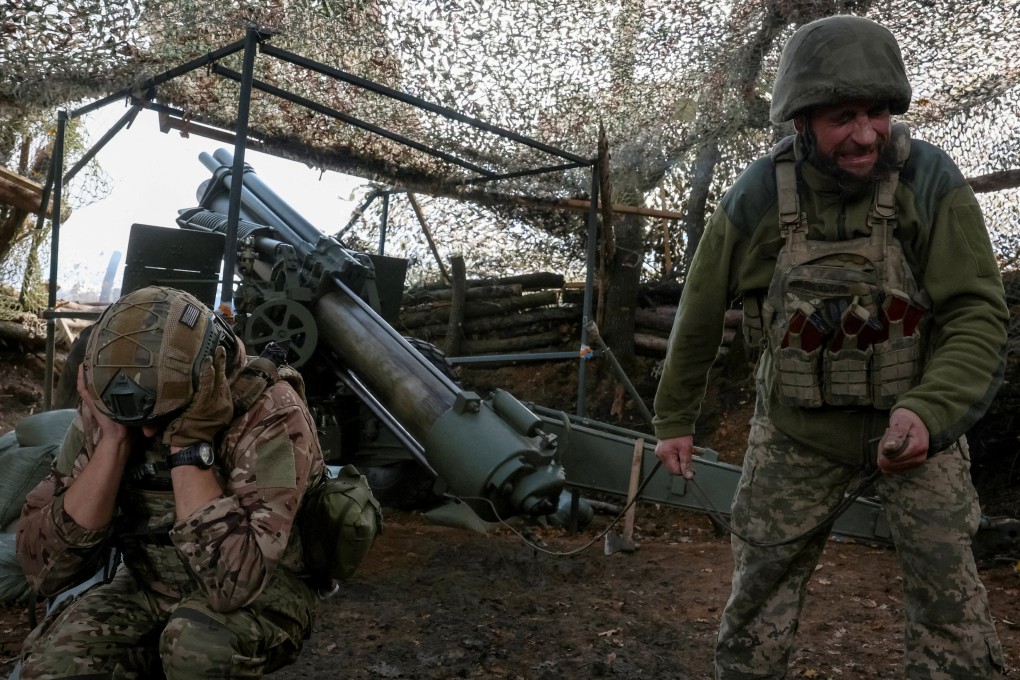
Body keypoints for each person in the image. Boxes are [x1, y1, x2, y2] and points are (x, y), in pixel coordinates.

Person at [652, 15, 1009, 680]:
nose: (866, 134)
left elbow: (976, 313)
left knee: (950, 603)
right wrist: (675, 419)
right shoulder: (758, 194)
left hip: (915, 430)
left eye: (877, 112)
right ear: (802, 119)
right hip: (797, 435)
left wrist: (928, 412)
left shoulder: (930, 182)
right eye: (844, 116)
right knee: (758, 598)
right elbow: (699, 311)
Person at [16, 285, 325, 679]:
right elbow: (43, 571)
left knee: (197, 649)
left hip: (265, 594)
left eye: (159, 419)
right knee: (54, 665)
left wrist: (190, 446)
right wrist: (112, 440)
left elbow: (233, 586)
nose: (146, 433)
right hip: (149, 583)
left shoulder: (270, 411)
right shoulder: (113, 408)